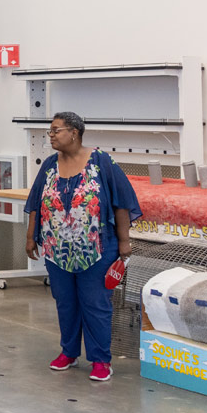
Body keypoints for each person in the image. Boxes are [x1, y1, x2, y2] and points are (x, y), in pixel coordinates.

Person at [25, 111, 141, 381]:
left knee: (96, 304)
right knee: (65, 303)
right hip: (57, 250)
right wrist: (31, 237)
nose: (51, 135)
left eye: (56, 130)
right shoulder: (50, 165)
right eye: (50, 131)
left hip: (97, 248)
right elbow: (35, 203)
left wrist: (124, 241)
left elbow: (122, 202)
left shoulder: (101, 162)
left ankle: (101, 360)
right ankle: (68, 352)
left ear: (74, 132)